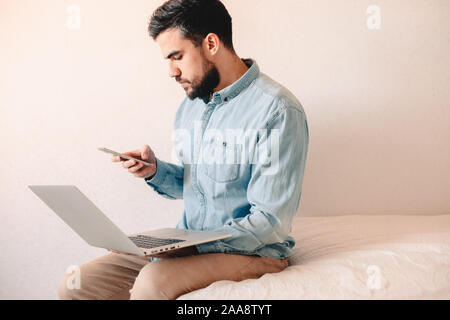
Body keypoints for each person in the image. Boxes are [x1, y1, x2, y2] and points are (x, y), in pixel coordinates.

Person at [58, 0, 309, 300]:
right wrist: (155, 172)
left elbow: (270, 223)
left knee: (152, 283)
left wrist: (191, 246)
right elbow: (197, 186)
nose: (171, 72)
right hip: (187, 246)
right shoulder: (190, 108)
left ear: (211, 43)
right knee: (78, 282)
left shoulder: (277, 110)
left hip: (254, 253)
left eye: (176, 57)